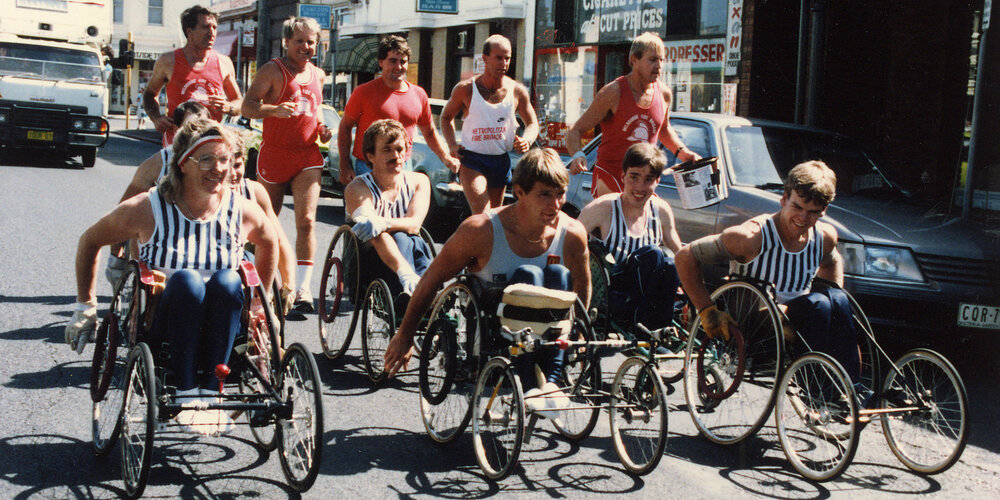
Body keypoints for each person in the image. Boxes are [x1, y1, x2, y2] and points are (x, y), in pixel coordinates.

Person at [65, 120, 279, 436]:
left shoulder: (240, 208)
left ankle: (211, 389)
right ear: (183, 163)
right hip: (164, 320)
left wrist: (262, 301)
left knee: (229, 280)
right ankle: (186, 389)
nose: (218, 168)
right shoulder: (148, 207)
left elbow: (270, 241)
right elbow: (90, 240)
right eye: (205, 159)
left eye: (223, 159)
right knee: (189, 282)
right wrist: (86, 305)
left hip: (223, 319)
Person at [383, 148, 591, 400]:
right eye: (545, 195)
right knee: (529, 275)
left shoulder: (572, 232)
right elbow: (432, 278)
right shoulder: (481, 230)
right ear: (520, 192)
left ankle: (553, 380)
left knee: (557, 273)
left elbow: (581, 281)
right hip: (496, 329)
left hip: (549, 333)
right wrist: (405, 334)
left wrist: (579, 331)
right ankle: (529, 382)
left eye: (560, 194)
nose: (555, 204)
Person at [674, 161, 863, 395]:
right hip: (755, 320)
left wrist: (833, 303)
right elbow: (685, 256)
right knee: (820, 304)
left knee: (835, 297)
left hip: (802, 316)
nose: (803, 218)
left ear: (824, 210)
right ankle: (820, 390)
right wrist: (706, 310)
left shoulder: (823, 237)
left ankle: (853, 389)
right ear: (784, 198)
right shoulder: (750, 237)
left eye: (814, 211)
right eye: (798, 207)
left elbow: (832, 262)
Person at [241, 16, 333, 312]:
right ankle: (262, 283)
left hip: (307, 155)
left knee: (306, 221)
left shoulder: (318, 74)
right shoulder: (273, 70)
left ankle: (303, 288)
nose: (306, 47)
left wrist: (322, 129)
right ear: (286, 42)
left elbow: (315, 111)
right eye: (300, 41)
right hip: (275, 156)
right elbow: (248, 106)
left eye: (311, 42)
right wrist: (273, 110)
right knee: (265, 224)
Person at [566, 32, 700, 198]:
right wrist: (578, 155)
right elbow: (575, 130)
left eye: (661, 60)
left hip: (643, 180)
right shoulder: (613, 92)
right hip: (611, 177)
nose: (659, 66)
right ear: (634, 60)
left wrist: (682, 152)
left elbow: (663, 130)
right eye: (652, 59)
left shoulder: (664, 94)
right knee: (617, 221)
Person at [577, 143, 682, 330]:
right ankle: (642, 326)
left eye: (648, 179)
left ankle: (660, 330)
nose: (640, 187)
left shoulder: (661, 210)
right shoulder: (604, 207)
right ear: (623, 176)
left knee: (672, 264)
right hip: (612, 294)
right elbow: (570, 241)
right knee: (653, 254)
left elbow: (680, 252)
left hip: (648, 295)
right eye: (634, 177)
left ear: (657, 181)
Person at [337, 35, 459, 186]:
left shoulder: (418, 94)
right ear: (381, 62)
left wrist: (445, 158)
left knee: (401, 210)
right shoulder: (363, 92)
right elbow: (345, 127)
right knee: (370, 210)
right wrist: (344, 166)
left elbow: (429, 132)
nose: (399, 67)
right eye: (393, 61)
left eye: (403, 61)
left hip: (403, 165)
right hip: (368, 167)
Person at [440, 34, 539, 214]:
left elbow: (532, 122)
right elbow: (446, 117)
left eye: (507, 58)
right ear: (485, 58)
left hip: (500, 159)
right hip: (472, 160)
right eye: (498, 58)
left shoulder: (517, 91)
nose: (504, 63)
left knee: (494, 217)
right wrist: (452, 144)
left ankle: (474, 240)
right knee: (482, 214)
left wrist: (527, 140)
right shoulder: (466, 88)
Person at [344, 119, 432, 298]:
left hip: (408, 250)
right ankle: (405, 290)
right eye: (387, 150)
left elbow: (414, 224)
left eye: (400, 149)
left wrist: (383, 222)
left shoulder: (419, 181)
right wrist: (404, 272)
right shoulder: (357, 188)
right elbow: (372, 229)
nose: (396, 156)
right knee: (385, 234)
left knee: (411, 239)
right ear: (370, 156)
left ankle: (427, 293)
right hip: (367, 261)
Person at [142, 4, 242, 146]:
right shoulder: (168, 61)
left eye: (214, 27)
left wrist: (229, 107)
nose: (212, 33)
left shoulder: (223, 62)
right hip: (177, 143)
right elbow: (150, 94)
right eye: (205, 27)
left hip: (211, 141)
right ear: (190, 32)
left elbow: (238, 101)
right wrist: (156, 118)